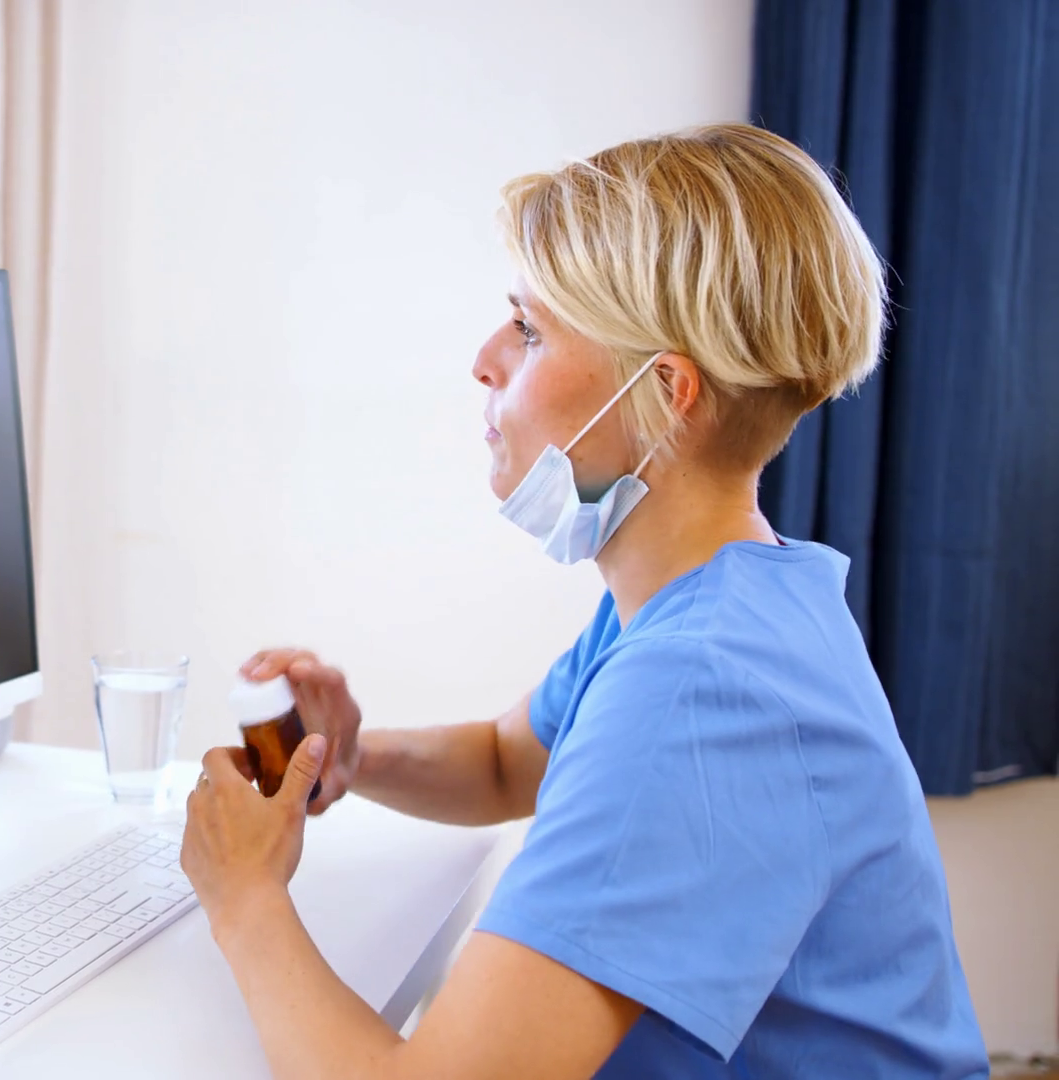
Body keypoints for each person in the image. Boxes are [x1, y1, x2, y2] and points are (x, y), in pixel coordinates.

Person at [180, 124, 988, 1078]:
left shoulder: (706, 692)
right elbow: (503, 763)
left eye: (528, 329)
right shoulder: (716, 599)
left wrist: (244, 898)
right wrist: (347, 757)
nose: (485, 359)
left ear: (668, 393)